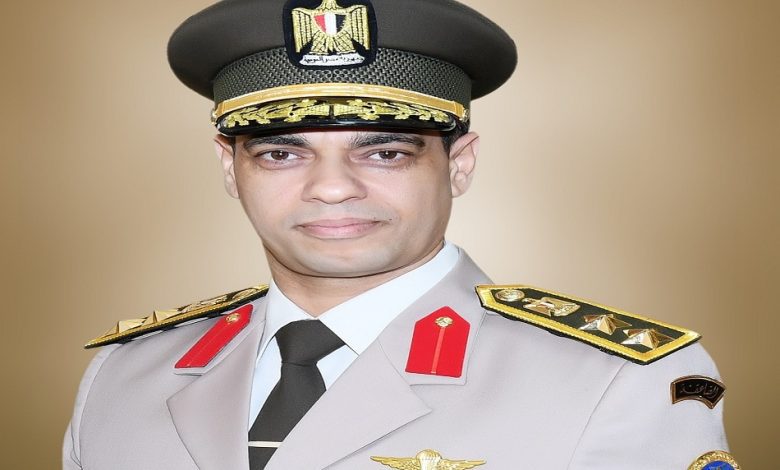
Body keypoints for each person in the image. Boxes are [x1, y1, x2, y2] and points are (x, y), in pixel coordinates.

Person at [63, 0, 739, 469]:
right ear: (229, 168)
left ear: (459, 164)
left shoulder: (615, 383)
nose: (333, 187)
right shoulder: (125, 378)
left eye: (385, 152)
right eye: (281, 153)